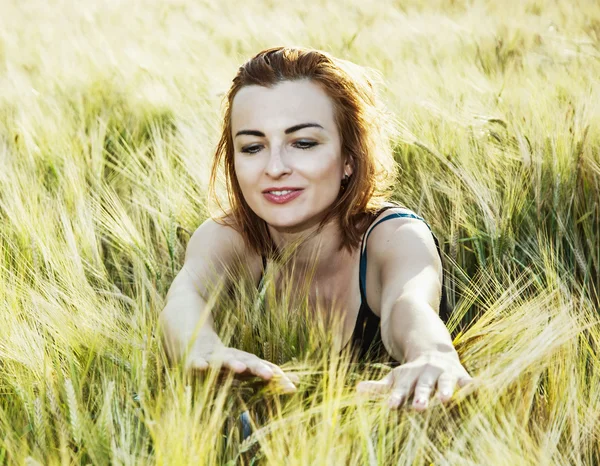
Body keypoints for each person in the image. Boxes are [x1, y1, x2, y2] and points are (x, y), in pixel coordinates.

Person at [159, 46, 473, 412]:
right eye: (252, 147)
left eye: (303, 143)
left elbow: (409, 303)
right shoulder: (229, 237)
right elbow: (185, 296)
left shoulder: (395, 236)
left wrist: (431, 355)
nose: (274, 167)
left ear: (348, 160)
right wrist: (200, 347)